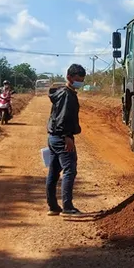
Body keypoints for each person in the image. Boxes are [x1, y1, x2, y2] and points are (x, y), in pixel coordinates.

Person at [45, 64, 86, 216]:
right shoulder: (67, 95)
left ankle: (53, 207)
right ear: (69, 77)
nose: (80, 83)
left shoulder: (61, 93)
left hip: (53, 138)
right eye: (77, 80)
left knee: (54, 172)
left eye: (82, 80)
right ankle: (67, 207)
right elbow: (63, 118)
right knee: (70, 170)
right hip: (62, 138)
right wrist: (67, 136)